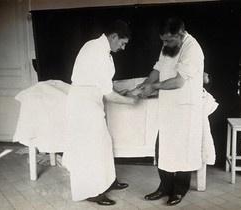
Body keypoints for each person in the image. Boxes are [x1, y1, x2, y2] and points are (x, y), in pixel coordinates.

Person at [62, 20, 137, 205]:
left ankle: (108, 182)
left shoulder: (101, 49)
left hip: (91, 102)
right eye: (122, 43)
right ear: (113, 37)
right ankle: (93, 192)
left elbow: (104, 84)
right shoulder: (97, 52)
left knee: (103, 142)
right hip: (83, 105)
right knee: (90, 148)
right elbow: (109, 96)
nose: (123, 47)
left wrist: (122, 93)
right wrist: (132, 100)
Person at [136, 17, 204, 206]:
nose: (165, 44)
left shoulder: (192, 48)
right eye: (163, 40)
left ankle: (179, 190)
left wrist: (153, 88)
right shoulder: (169, 46)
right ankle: (164, 187)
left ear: (181, 34)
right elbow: (158, 68)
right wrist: (144, 84)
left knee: (183, 150)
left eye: (168, 40)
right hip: (168, 107)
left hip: (185, 109)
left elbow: (179, 81)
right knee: (163, 148)